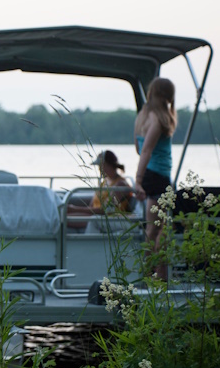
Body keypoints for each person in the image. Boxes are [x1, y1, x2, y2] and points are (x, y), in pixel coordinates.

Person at [133, 77, 177, 279]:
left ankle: (152, 271)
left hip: (153, 174)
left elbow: (138, 146)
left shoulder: (143, 115)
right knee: (158, 229)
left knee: (156, 228)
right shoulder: (159, 119)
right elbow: (146, 151)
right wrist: (138, 180)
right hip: (157, 175)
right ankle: (153, 272)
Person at [67, 150, 132, 231]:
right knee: (63, 216)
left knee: (66, 219)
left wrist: (74, 209)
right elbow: (92, 206)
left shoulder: (120, 185)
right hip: (96, 215)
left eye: (100, 166)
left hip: (107, 219)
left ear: (107, 165)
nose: (98, 169)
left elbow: (105, 210)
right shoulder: (104, 182)